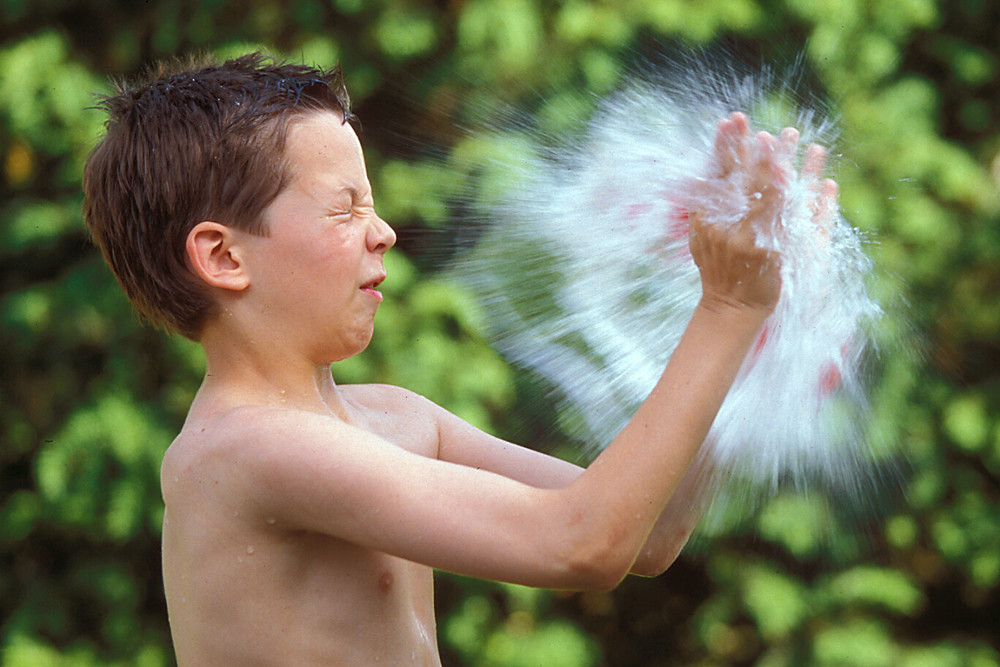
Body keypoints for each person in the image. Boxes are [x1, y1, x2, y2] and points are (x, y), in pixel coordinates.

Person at [83, 52, 833, 665]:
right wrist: (728, 310)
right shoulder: (245, 450)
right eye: (345, 208)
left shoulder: (395, 417)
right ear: (222, 255)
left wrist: (758, 329)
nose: (383, 233)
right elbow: (583, 542)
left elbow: (650, 532)